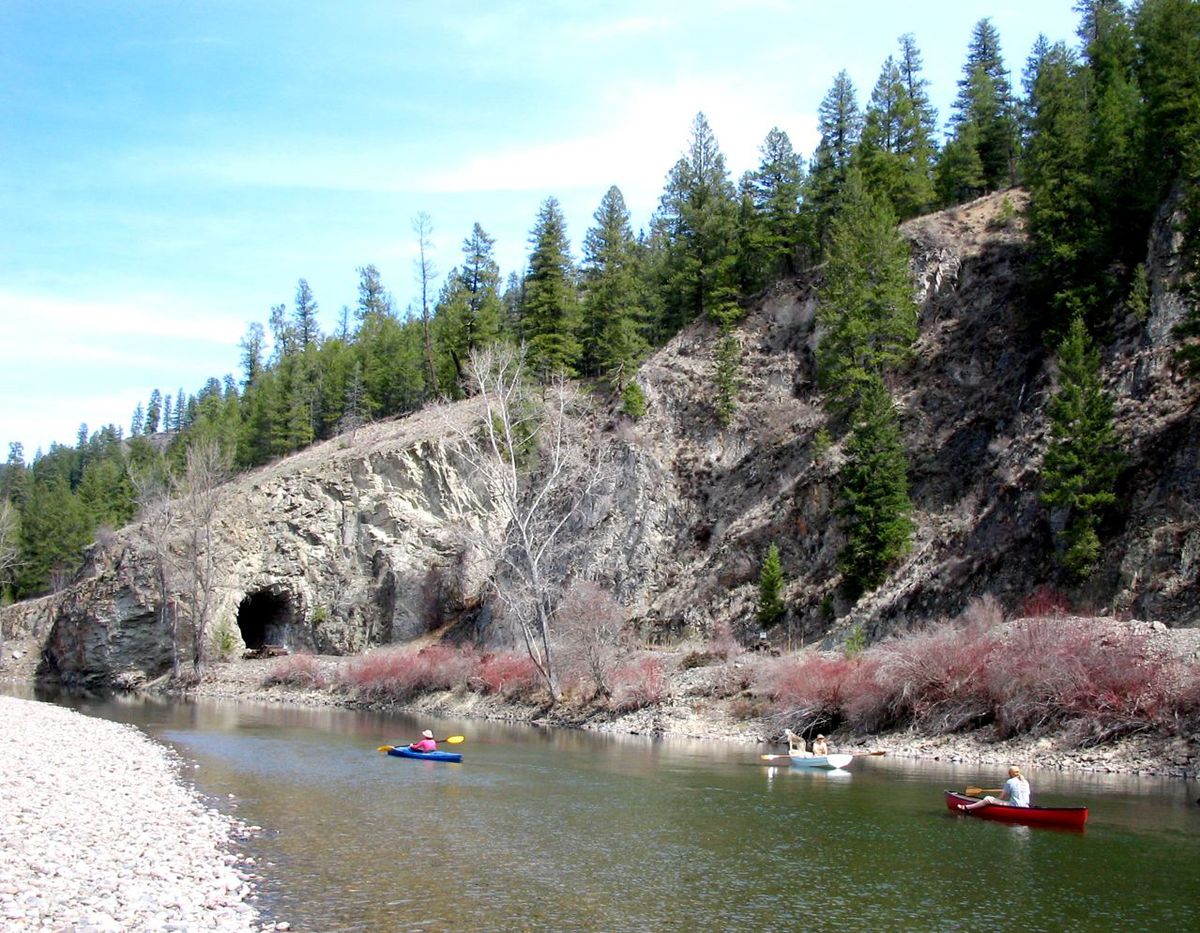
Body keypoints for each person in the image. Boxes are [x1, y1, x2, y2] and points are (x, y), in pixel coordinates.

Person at [959, 765, 1030, 810]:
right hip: (1026, 807)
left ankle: (966, 807)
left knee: (988, 799)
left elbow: (1001, 798)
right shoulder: (1026, 782)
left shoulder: (1010, 781)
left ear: (1010, 773)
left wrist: (993, 800)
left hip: (1015, 807)